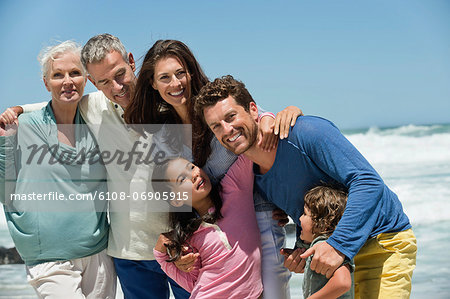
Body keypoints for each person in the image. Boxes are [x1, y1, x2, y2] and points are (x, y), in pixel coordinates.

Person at [194, 75, 417, 299]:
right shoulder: (257, 179)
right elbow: (316, 210)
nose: (227, 129)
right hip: (334, 263)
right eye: (216, 126)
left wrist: (338, 246)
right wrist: (302, 249)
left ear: (253, 110)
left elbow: (368, 183)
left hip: (380, 242)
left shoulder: (307, 133)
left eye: (231, 117)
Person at [124, 40, 300, 298]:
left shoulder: (214, 105)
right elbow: (175, 191)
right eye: (164, 77)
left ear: (191, 73)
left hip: (258, 215)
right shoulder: (163, 134)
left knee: (273, 294)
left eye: (180, 73)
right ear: (152, 83)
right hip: (212, 234)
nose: (175, 83)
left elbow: (259, 121)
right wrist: (177, 247)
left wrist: (286, 114)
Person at [0, 41, 115, 298]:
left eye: (74, 73)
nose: (67, 81)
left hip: (98, 253)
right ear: (45, 82)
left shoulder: (97, 122)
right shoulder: (23, 127)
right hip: (49, 258)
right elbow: (4, 187)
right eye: (57, 75)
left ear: (86, 79)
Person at [152, 155, 263, 299]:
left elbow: (249, 152)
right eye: (182, 179)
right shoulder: (190, 238)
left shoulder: (234, 187)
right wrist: (160, 256)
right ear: (177, 200)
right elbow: (193, 284)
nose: (194, 175)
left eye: (191, 167)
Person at [298, 185, 354, 299]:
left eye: (304, 214)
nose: (299, 218)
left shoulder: (327, 246)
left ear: (322, 223)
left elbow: (343, 283)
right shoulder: (324, 245)